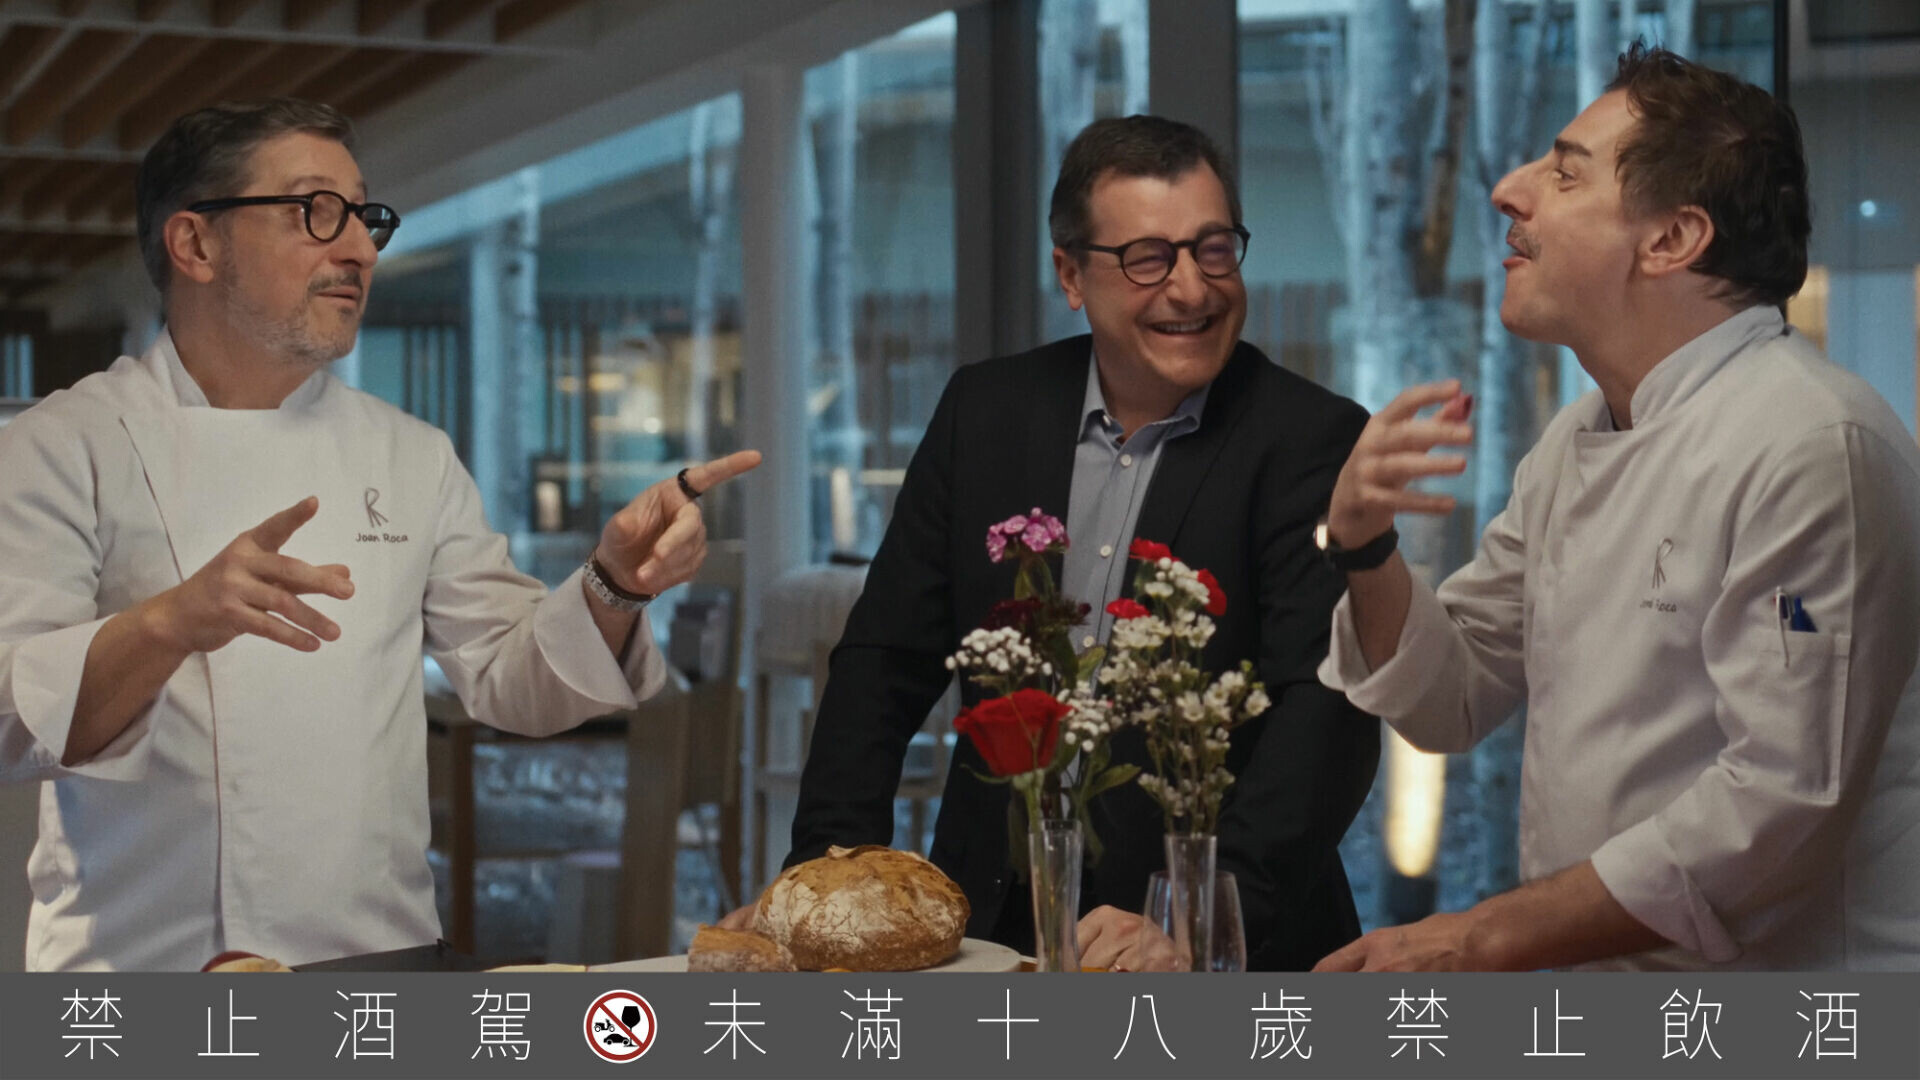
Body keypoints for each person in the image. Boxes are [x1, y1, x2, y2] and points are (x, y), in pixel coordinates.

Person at [0, 99, 759, 971]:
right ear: (195, 244)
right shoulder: (66, 445)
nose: (360, 247)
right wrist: (171, 623)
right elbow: (13, 716)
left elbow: (514, 682)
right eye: (316, 211)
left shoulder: (410, 454)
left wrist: (612, 584)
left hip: (380, 958)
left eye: (365, 216)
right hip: (143, 971)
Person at [1314, 46, 1920, 972]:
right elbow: (1451, 696)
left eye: (1564, 174)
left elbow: (1779, 805)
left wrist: (1478, 936)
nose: (1508, 191)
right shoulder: (1578, 435)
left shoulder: (1810, 444)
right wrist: (1364, 546)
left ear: (1672, 238)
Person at [725, 115, 1379, 972]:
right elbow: (884, 662)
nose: (1192, 289)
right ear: (1071, 273)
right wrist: (821, 884)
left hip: (1216, 949)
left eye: (1214, 250)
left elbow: (1327, 711)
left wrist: (1198, 918)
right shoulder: (985, 413)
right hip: (995, 933)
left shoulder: (1312, 439)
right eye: (1149, 258)